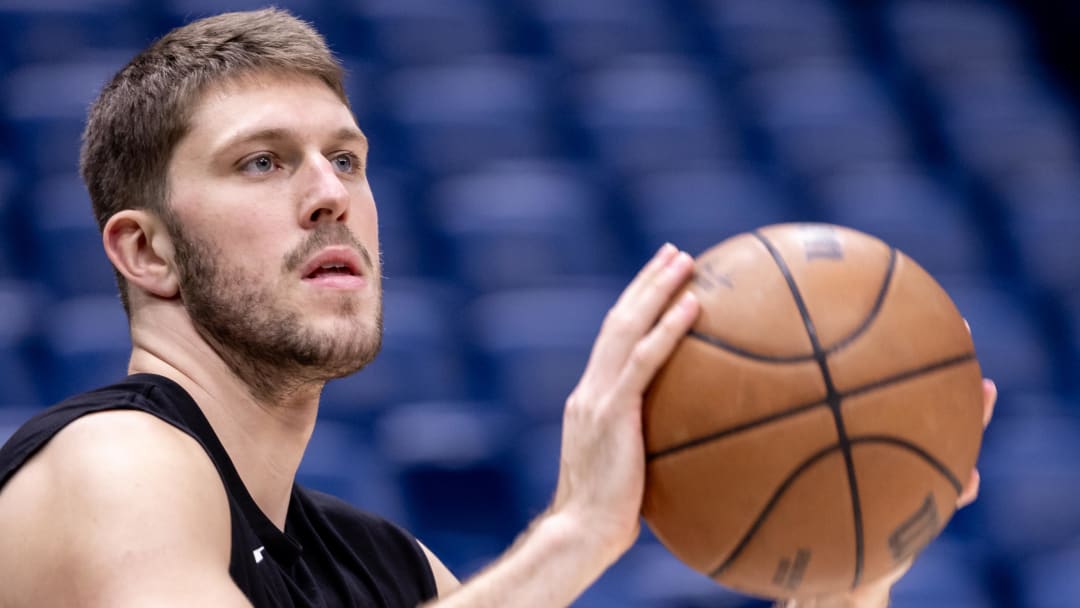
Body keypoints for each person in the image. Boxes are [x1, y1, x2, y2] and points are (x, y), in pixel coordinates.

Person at [0, 8, 994, 608]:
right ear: (147, 250)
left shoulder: (387, 569)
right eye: (263, 160)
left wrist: (849, 567)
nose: (329, 192)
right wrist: (576, 531)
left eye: (345, 157)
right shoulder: (113, 461)